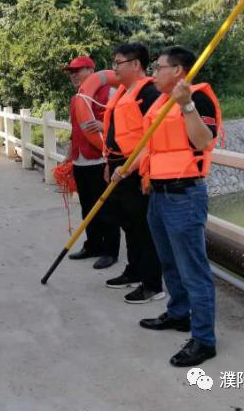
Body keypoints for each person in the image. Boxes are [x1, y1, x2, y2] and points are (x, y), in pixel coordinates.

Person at [135, 46, 221, 367]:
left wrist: (186, 106)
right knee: (168, 262)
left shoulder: (196, 99)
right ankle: (179, 314)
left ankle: (204, 340)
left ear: (179, 71)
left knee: (193, 270)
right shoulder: (159, 103)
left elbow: (202, 141)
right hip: (158, 194)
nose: (154, 73)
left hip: (184, 196)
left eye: (159, 67)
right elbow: (154, 147)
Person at [102, 43, 164, 304]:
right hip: (118, 166)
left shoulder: (148, 93)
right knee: (129, 224)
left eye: (119, 62)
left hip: (136, 170)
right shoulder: (122, 94)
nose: (114, 67)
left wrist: (130, 167)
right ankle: (134, 270)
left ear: (136, 64)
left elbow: (153, 139)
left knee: (144, 227)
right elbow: (117, 134)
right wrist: (109, 161)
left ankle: (152, 284)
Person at [63, 56, 120, 270]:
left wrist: (103, 126)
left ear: (91, 70)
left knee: (106, 209)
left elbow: (124, 125)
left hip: (100, 160)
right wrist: (69, 157)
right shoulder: (76, 98)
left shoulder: (111, 93)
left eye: (78, 70)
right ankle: (93, 245)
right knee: (87, 207)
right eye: (71, 72)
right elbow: (74, 131)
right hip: (81, 161)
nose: (73, 75)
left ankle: (110, 251)